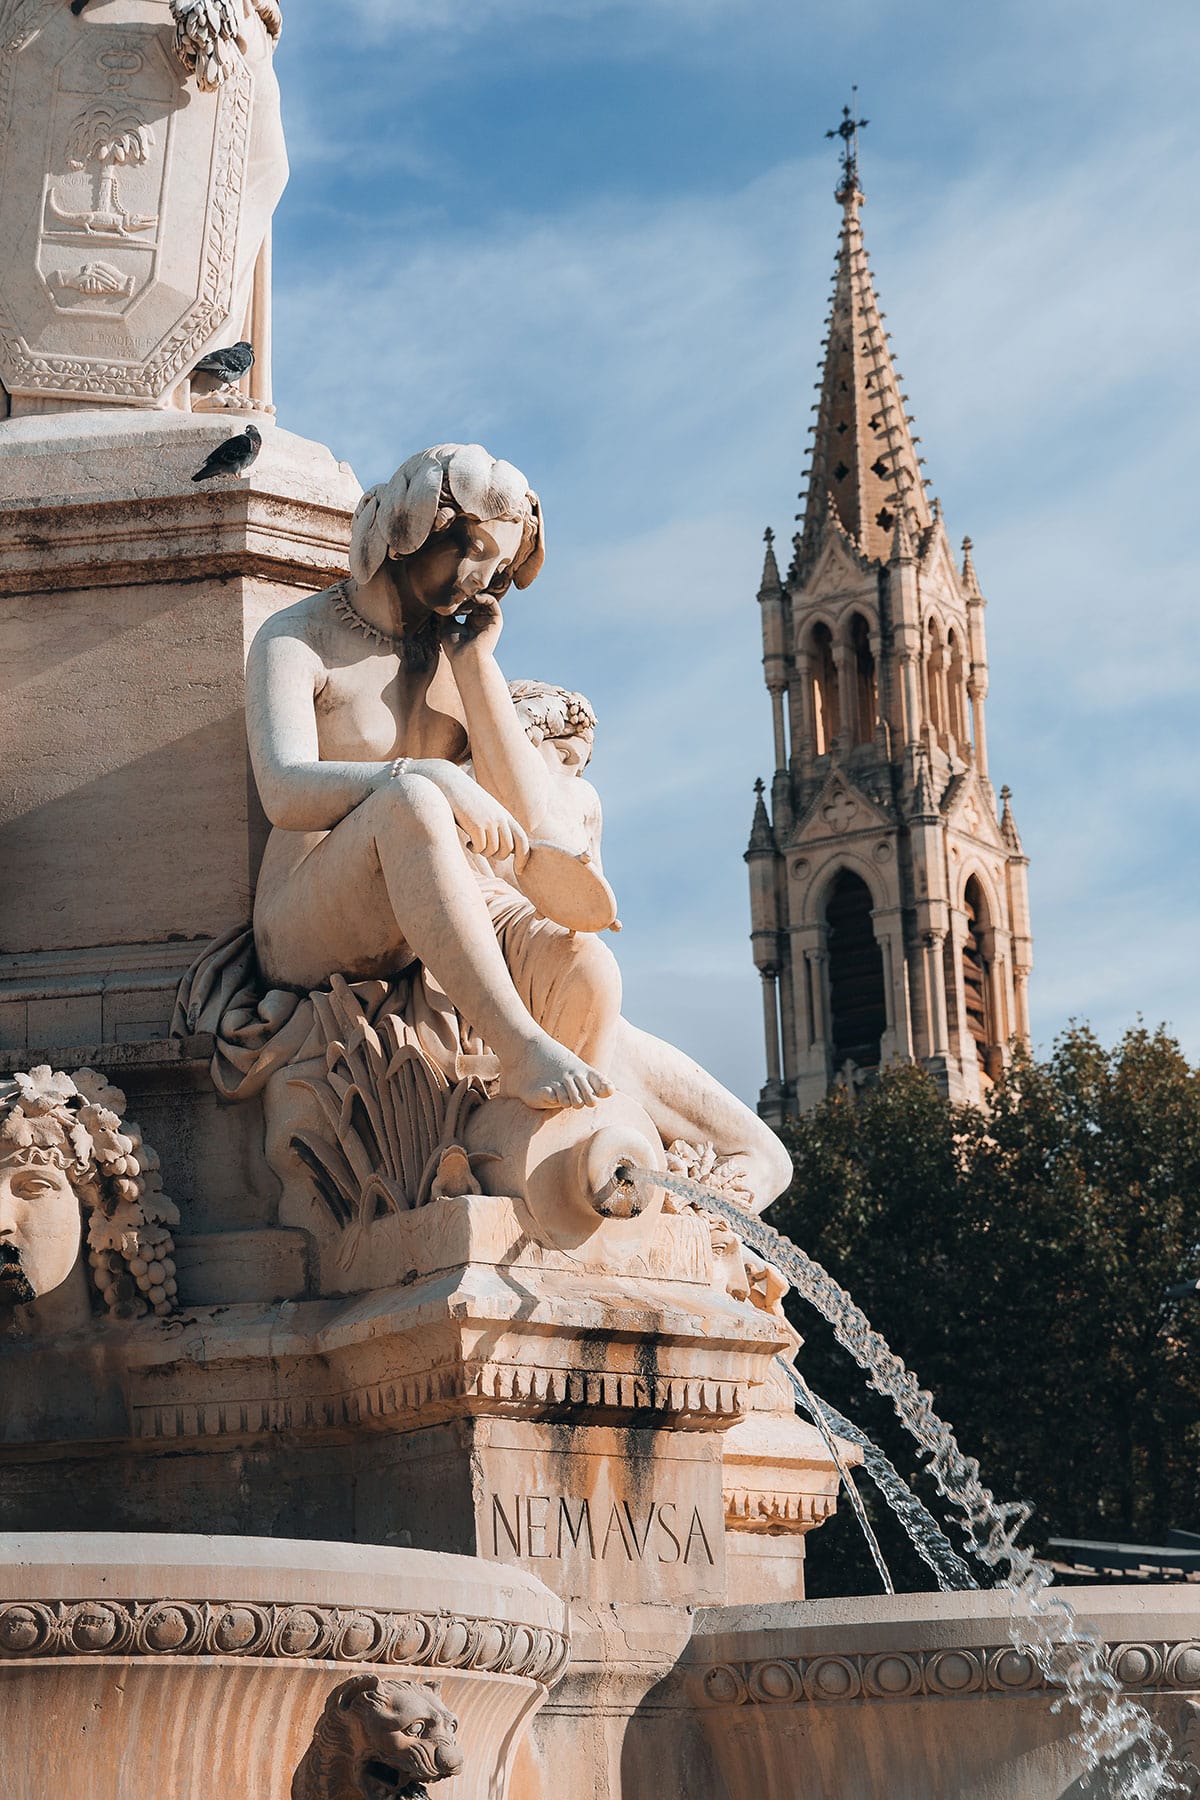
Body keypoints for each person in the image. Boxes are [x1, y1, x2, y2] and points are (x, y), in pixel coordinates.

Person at [246, 444, 621, 1112]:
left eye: (498, 566)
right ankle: (521, 1047)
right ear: (411, 529)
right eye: (470, 548)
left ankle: (552, 1144)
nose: (480, 577)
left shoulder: (456, 651)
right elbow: (282, 790)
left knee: (585, 967)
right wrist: (422, 774)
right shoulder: (296, 638)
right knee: (413, 798)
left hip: (430, 907)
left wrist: (477, 669)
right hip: (307, 915)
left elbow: (540, 828)